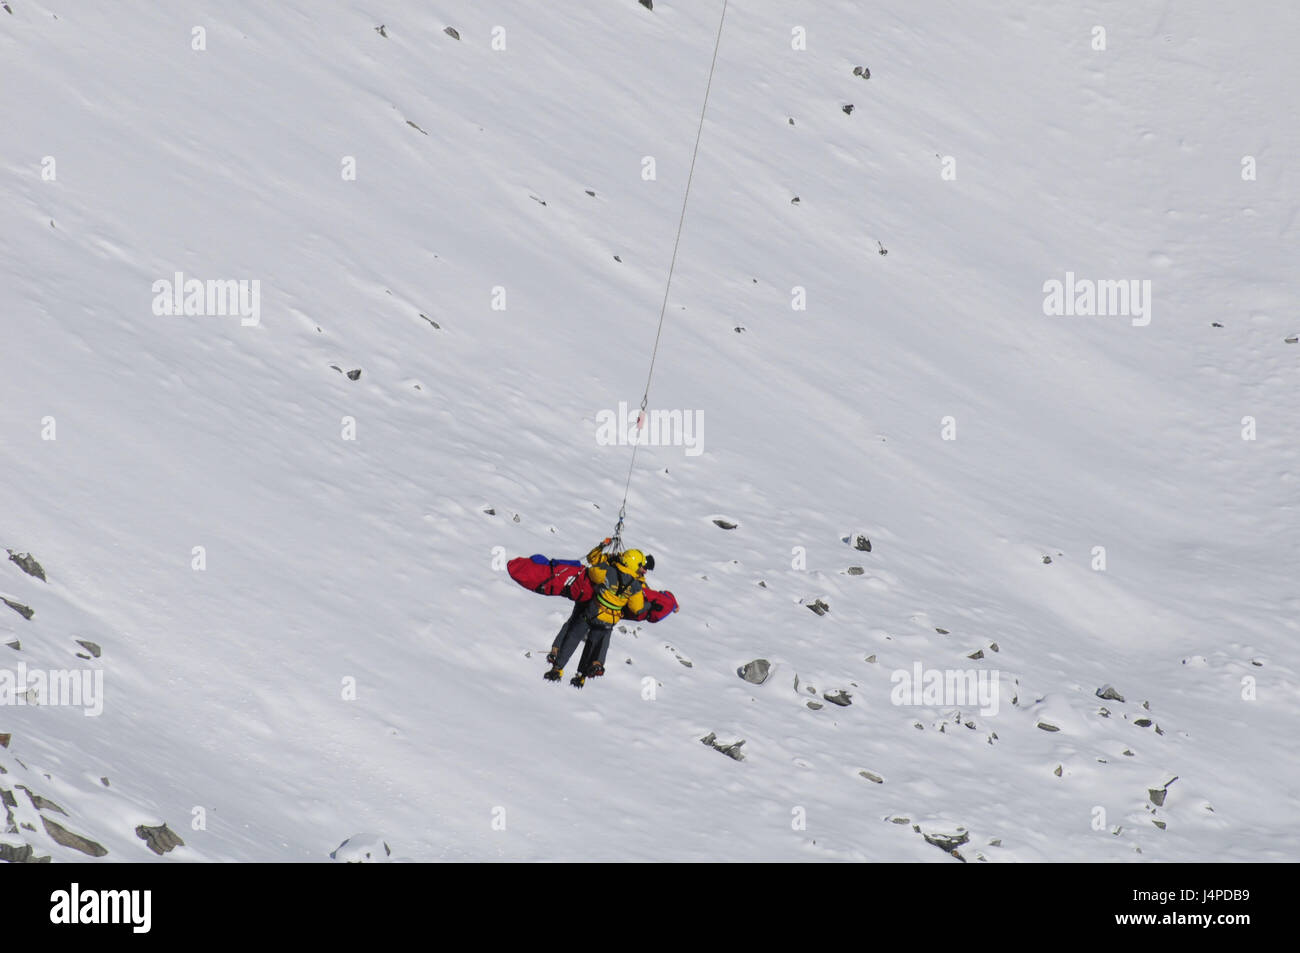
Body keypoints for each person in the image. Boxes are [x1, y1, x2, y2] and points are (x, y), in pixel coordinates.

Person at [545, 542, 652, 687]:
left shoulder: (609, 571)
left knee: (574, 635)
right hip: (609, 621)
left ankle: (558, 667)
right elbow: (637, 608)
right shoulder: (636, 585)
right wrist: (650, 605)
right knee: (598, 642)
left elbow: (592, 572)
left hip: (592, 612)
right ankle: (586, 672)